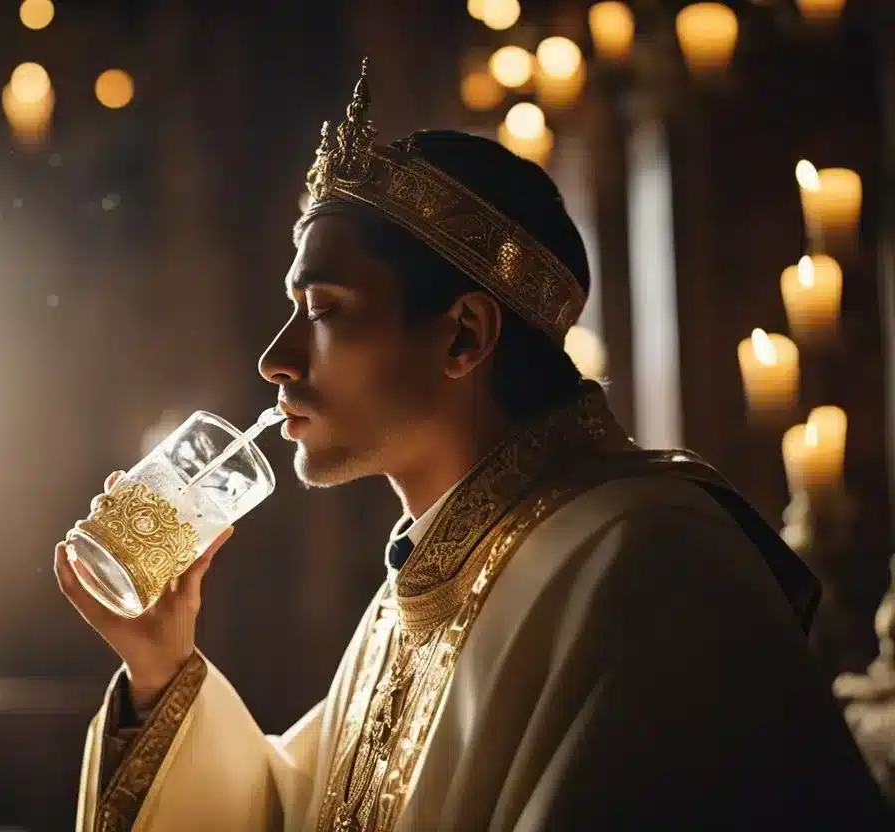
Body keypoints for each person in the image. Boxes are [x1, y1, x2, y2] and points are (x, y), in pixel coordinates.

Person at [55, 60, 890, 831]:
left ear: (463, 336)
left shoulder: (648, 559)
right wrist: (162, 668)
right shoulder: (417, 593)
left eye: (324, 309)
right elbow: (294, 812)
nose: (276, 358)